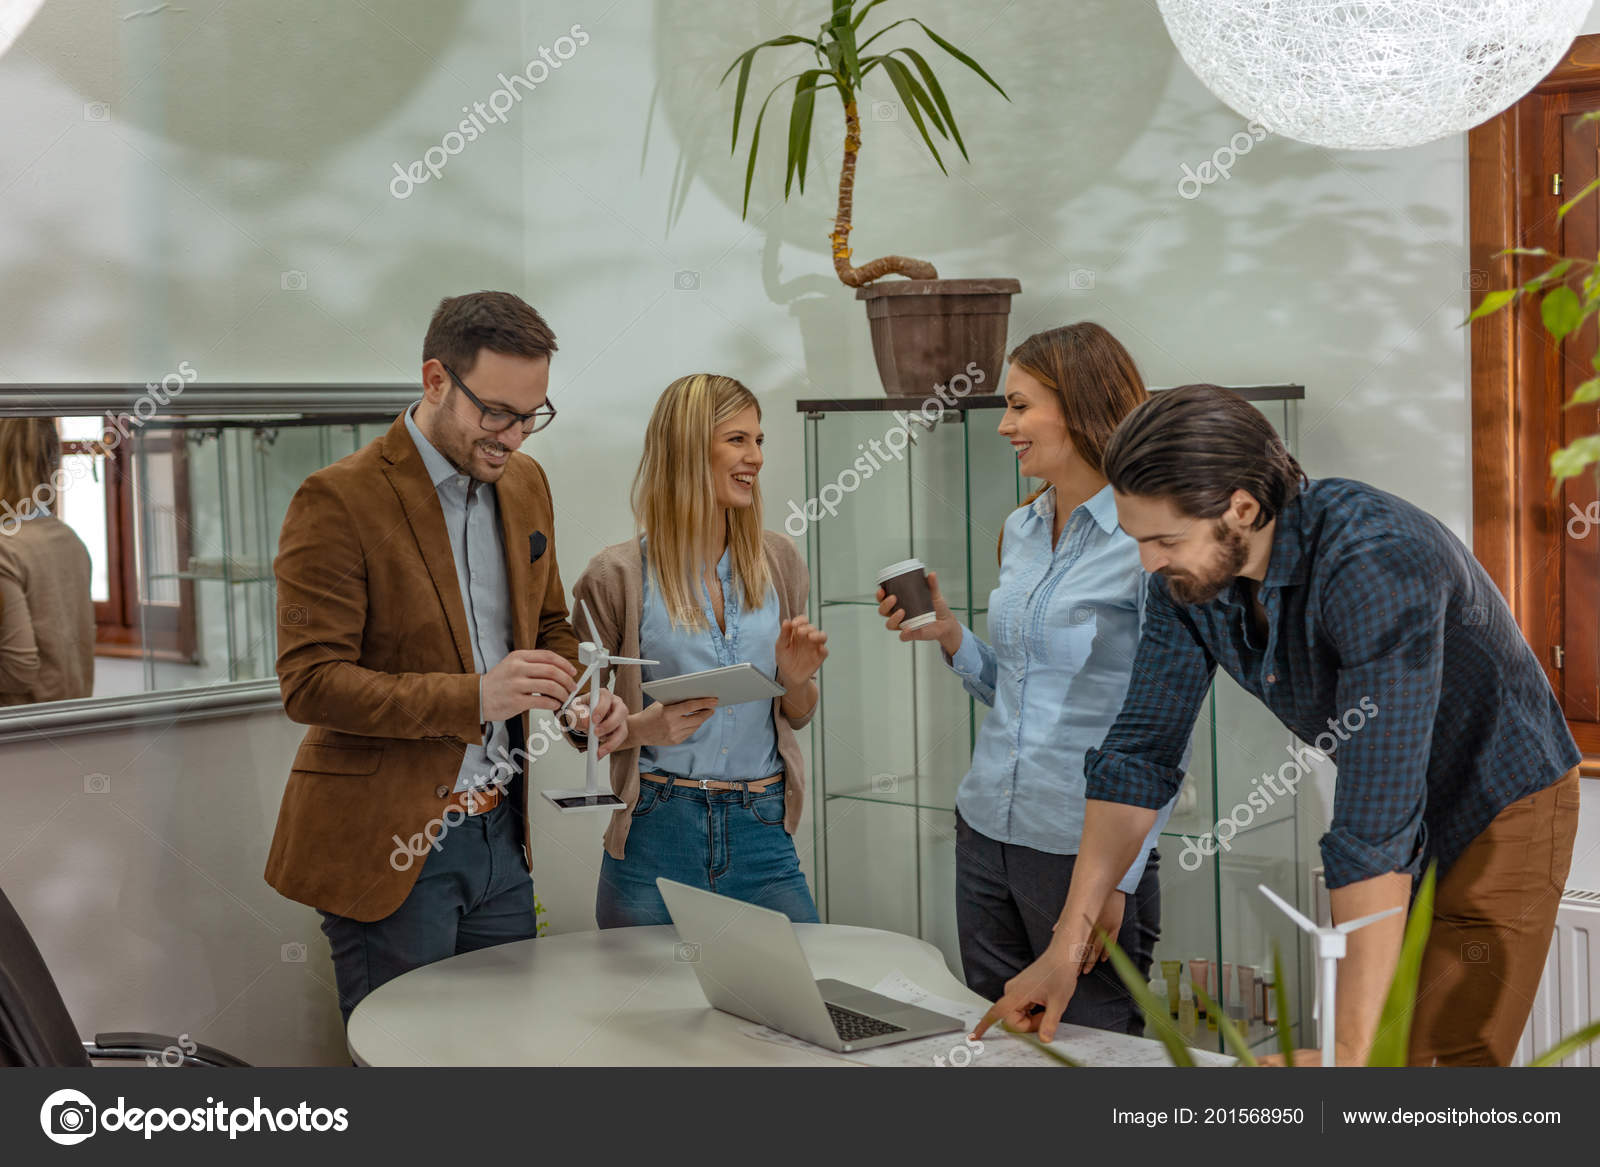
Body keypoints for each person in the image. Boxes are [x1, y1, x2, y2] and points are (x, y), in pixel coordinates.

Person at [973, 384, 1582, 1065]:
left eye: (1165, 538)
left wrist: (1348, 1061)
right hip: (1389, 799)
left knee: (1442, 1059)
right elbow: (1138, 756)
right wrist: (1065, 946)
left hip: (1500, 798)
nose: (1147, 561)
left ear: (1242, 507)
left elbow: (1374, 829)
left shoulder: (1377, 558)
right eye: (1140, 538)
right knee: (1381, 1049)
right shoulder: (1182, 583)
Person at [265, 291, 627, 1024]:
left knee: (502, 1068)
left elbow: (549, 623)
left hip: (500, 836)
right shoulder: (339, 499)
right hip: (392, 849)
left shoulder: (524, 482)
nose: (515, 437)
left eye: (532, 415)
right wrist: (474, 699)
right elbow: (310, 683)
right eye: (495, 412)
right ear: (435, 380)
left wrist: (578, 697)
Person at [876, 324, 1179, 1034]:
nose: (1005, 426)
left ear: (1076, 405)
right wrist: (953, 636)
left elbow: (1166, 725)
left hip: (1082, 850)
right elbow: (1018, 686)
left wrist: (1116, 882)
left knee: (1092, 1047)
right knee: (1001, 1038)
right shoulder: (1020, 528)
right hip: (985, 832)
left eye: (1018, 406)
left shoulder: (1148, 540)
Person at [573, 373, 828, 927]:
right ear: (688, 450)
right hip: (656, 829)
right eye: (737, 439)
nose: (755, 457)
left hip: (762, 829)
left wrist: (796, 678)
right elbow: (573, 722)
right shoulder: (614, 575)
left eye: (759, 441)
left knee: (797, 1001)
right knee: (646, 1010)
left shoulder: (780, 561)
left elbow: (798, 714)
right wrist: (643, 730)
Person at [0, 418, 94, 706]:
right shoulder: (69, 539)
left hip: (18, 737)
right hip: (67, 728)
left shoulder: (7, 548)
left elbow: (18, 669)